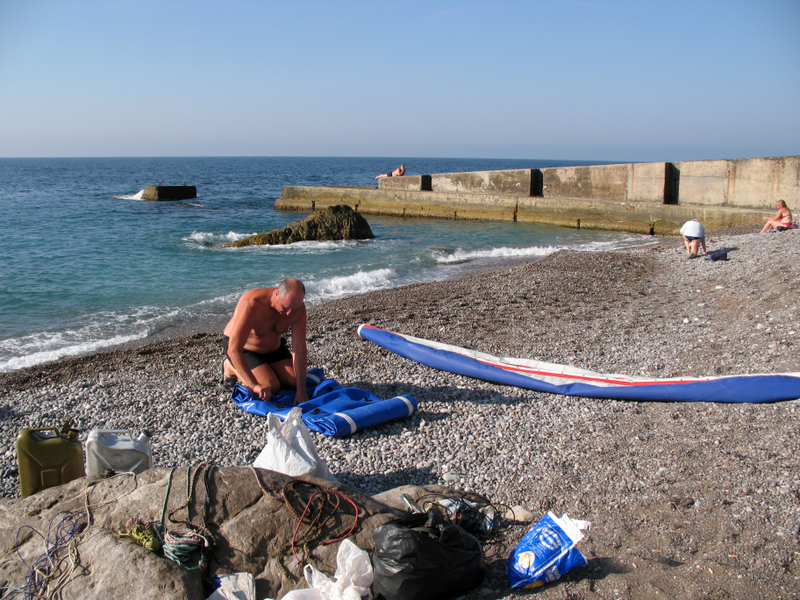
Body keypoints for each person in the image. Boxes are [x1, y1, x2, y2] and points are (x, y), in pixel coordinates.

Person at [222, 278, 309, 404]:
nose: (289, 313)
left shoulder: (298, 309)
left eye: (294, 308)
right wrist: (254, 385)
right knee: (270, 387)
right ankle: (230, 367)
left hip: (274, 348)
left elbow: (299, 349)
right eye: (285, 307)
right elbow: (233, 349)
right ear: (276, 294)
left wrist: (301, 391)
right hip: (245, 350)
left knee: (295, 382)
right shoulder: (252, 303)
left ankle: (265, 369)